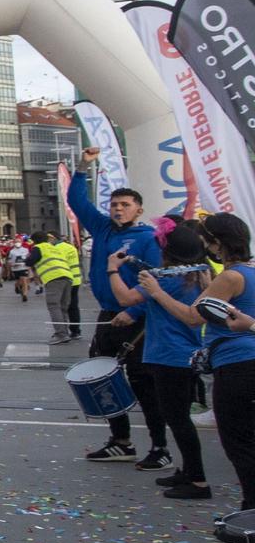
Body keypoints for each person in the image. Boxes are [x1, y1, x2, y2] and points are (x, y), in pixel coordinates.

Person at [68, 147, 167, 465]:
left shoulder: (148, 238)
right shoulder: (103, 228)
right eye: (114, 205)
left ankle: (160, 448)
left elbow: (155, 281)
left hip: (138, 317)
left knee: (143, 382)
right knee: (102, 379)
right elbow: (77, 202)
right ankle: (120, 440)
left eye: (125, 205)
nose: (118, 209)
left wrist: (133, 311)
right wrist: (83, 166)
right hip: (109, 315)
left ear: (138, 209)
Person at [109, 223, 212, 500]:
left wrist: (112, 268)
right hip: (184, 353)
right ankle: (188, 470)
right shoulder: (199, 274)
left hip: (169, 355)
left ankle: (198, 480)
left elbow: (125, 297)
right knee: (178, 418)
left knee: (178, 420)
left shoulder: (165, 281)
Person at [175, 213, 255, 505]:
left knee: (239, 442)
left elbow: (192, 317)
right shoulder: (249, 272)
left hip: (237, 364)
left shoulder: (232, 277)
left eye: (206, 242)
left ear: (216, 244)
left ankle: (251, 507)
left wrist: (156, 292)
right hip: (247, 360)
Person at [33, 231, 81, 344]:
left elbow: (35, 260)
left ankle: (62, 333)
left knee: (55, 306)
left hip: (56, 278)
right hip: (72, 278)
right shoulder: (69, 246)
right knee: (69, 307)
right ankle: (73, 331)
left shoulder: (51, 248)